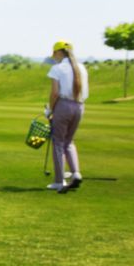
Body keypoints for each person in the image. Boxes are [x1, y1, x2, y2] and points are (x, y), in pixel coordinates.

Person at [45, 39, 88, 192]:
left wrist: (50, 110)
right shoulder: (81, 67)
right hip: (79, 106)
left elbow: (55, 93)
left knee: (58, 142)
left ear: (58, 52)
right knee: (69, 142)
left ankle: (59, 181)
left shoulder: (57, 68)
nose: (54, 56)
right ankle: (76, 173)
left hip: (63, 106)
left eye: (54, 53)